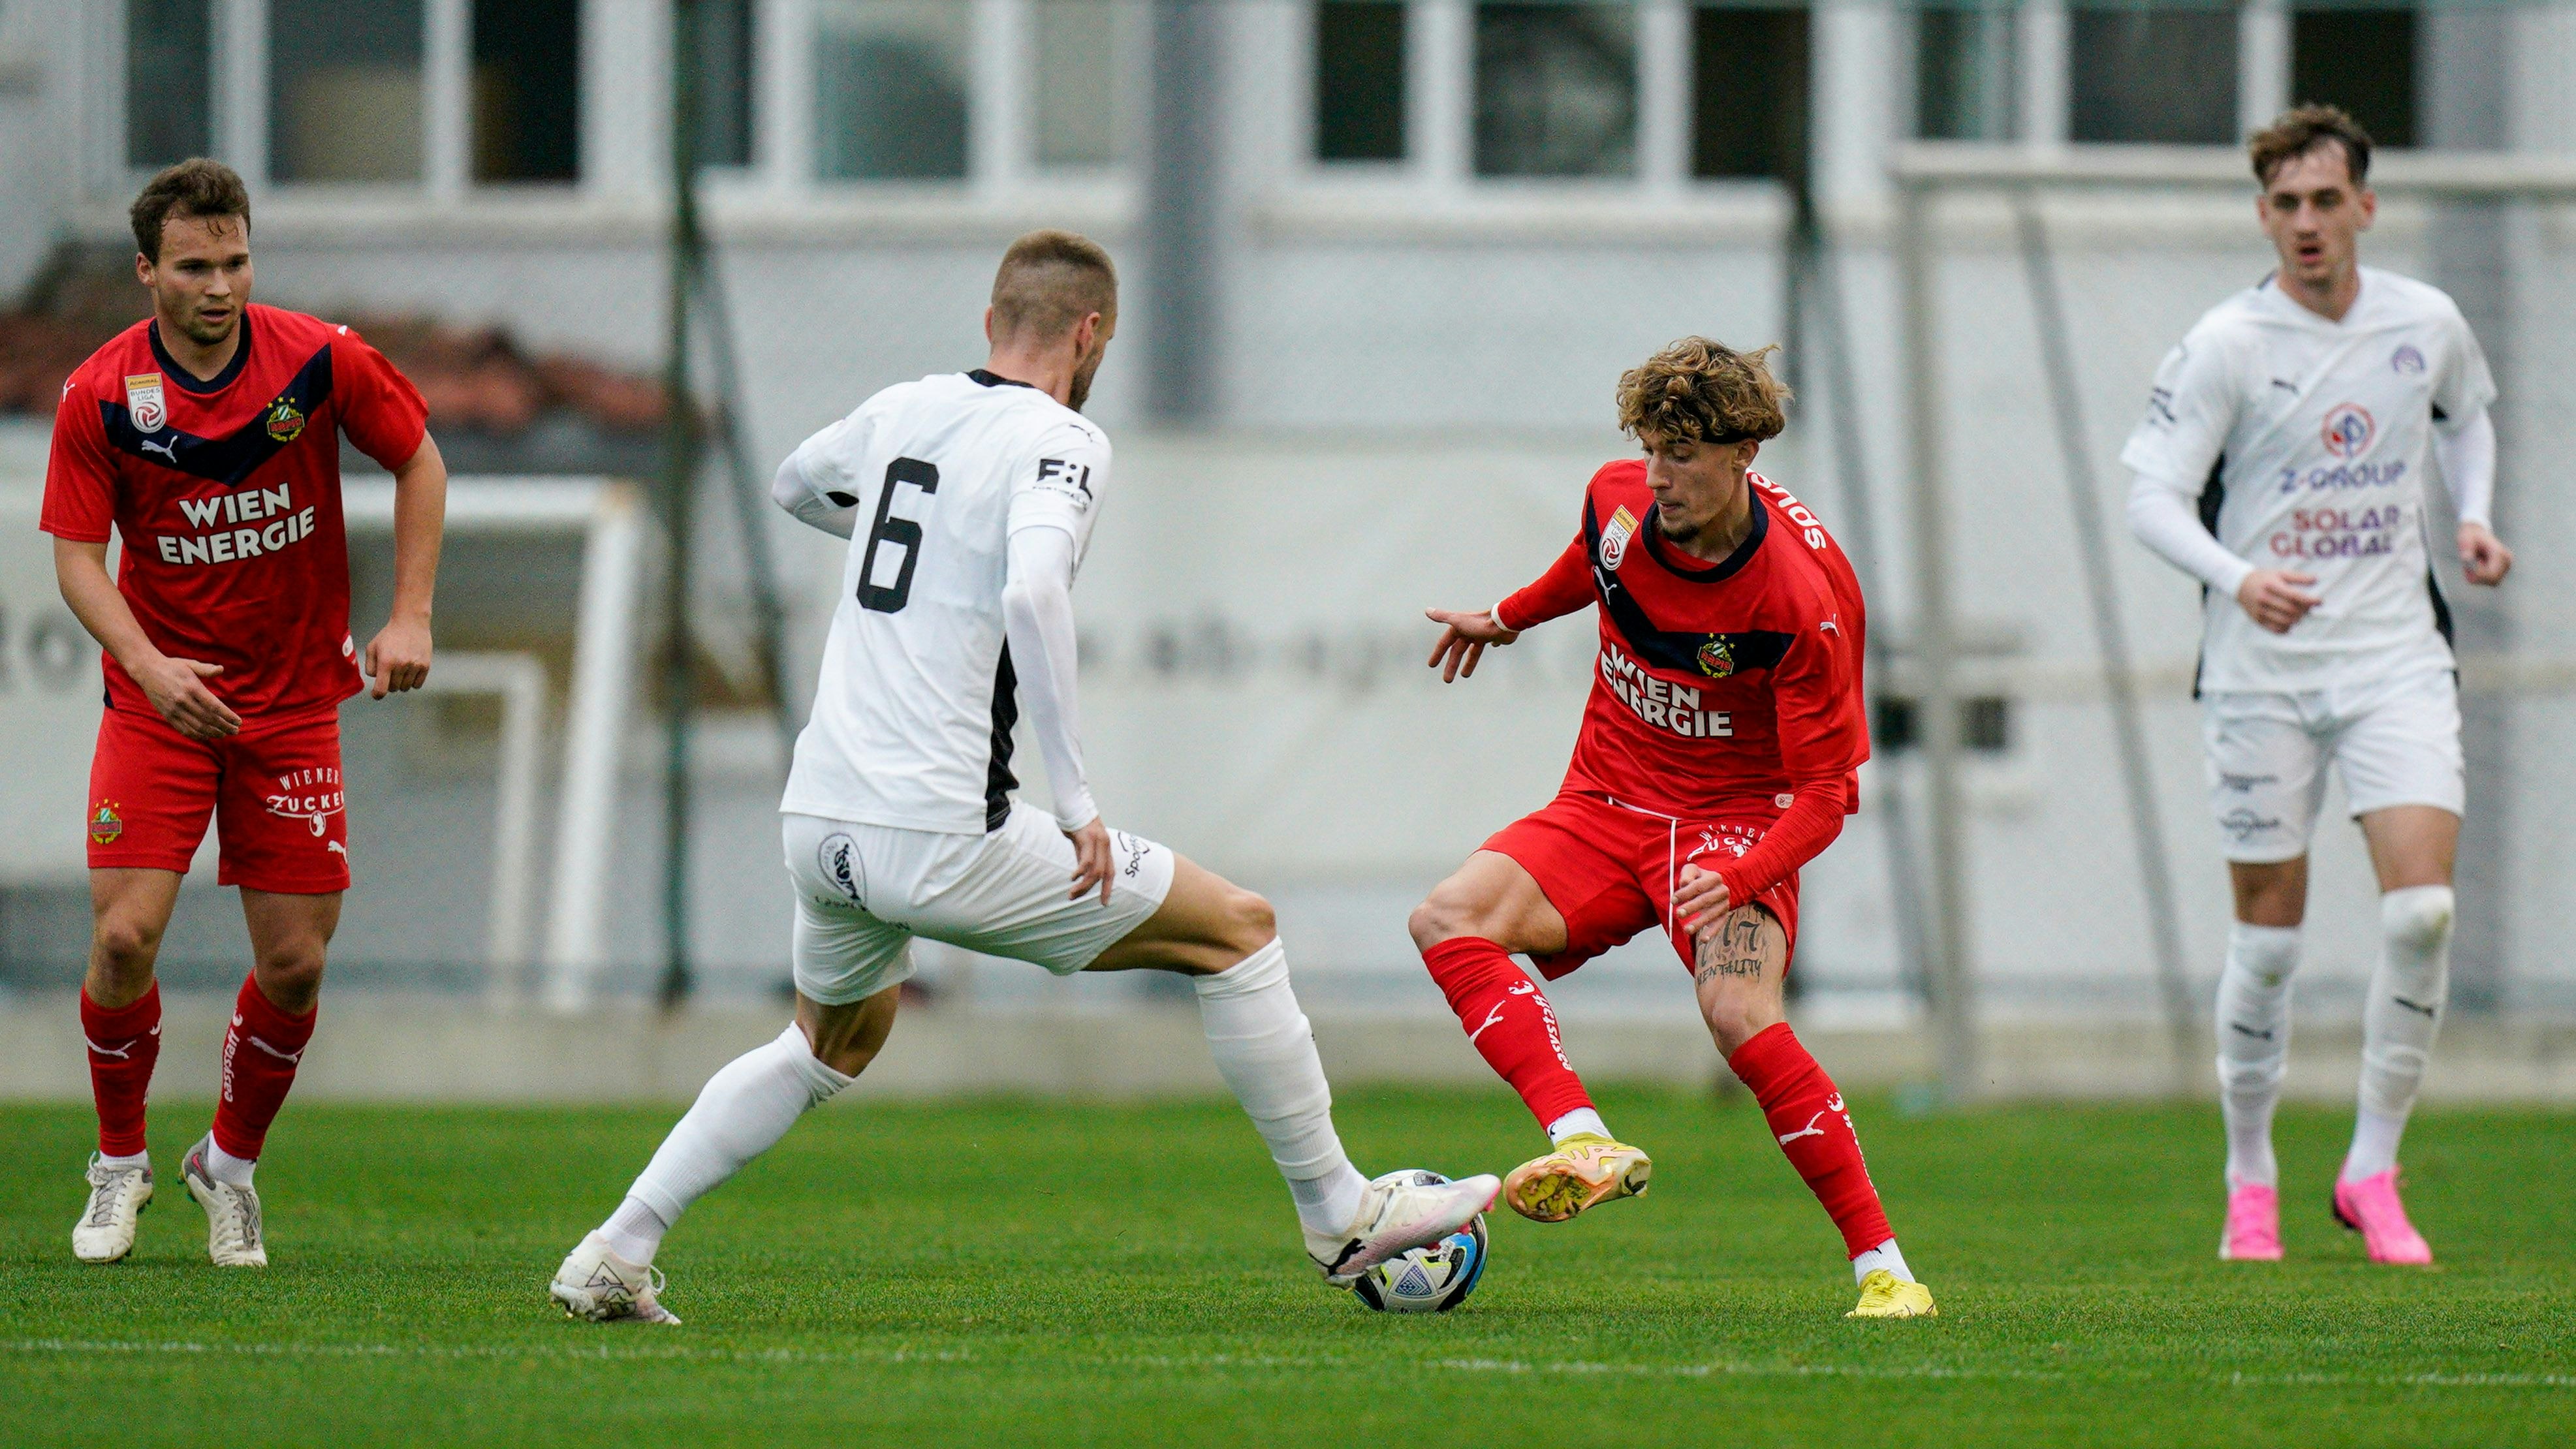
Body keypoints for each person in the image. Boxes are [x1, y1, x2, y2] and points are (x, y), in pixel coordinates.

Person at [548, 230, 1496, 1324]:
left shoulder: (901, 407)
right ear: (1090, 333)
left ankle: (615, 1249)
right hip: (939, 830)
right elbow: (1034, 594)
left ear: (991, 318)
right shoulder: (1063, 438)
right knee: (1236, 930)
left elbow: (793, 482)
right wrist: (1080, 802)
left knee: (828, 1040)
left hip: (821, 821)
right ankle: (1340, 1214)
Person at [1411, 337, 1933, 1320]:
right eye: (1651, 449)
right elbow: (1595, 564)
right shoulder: (1619, 499)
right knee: (1447, 919)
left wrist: (1743, 876)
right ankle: (1582, 1138)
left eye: (1683, 455)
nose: (1660, 476)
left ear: (1745, 455)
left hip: (1736, 822)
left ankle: (1883, 1271)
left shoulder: (1799, 604)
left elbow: (1825, 795)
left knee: (1738, 1016)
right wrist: (1509, 616)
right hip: (1608, 797)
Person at [2122, 106, 2508, 1266]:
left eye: (2323, 201)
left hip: (2394, 656)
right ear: (2262, 217)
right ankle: (2251, 1178)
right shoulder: (2224, 345)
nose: (2304, 222)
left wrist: (2475, 518)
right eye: (2283, 204)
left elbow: (2466, 421)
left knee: (2422, 910)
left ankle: (2372, 1170)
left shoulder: (2423, 322)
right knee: (2272, 943)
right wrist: (2239, 580)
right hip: (2260, 674)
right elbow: (2149, 498)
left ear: (2363, 209)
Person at [45, 159, 447, 1268]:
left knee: (297, 966)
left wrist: (409, 614)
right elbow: (77, 561)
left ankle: (225, 1166)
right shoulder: (98, 395)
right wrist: (148, 661)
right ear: (147, 272)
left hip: (289, 707)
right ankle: (118, 1164)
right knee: (123, 937)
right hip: (159, 702)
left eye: (234, 261)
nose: (218, 285)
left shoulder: (320, 359)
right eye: (193, 266)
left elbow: (419, 460)